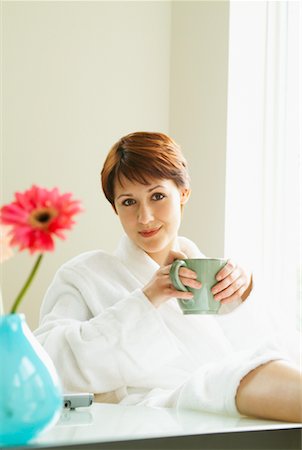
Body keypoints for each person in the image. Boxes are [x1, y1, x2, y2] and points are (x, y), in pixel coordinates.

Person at [35, 132, 301, 422]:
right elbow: (48, 362)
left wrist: (245, 294)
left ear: (183, 192)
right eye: (128, 202)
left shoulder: (212, 273)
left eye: (157, 196)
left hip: (229, 394)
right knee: (239, 377)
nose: (145, 217)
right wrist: (147, 299)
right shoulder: (84, 275)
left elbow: (276, 350)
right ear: (115, 207)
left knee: (256, 370)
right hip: (159, 407)